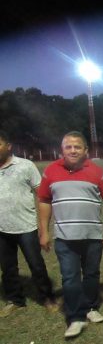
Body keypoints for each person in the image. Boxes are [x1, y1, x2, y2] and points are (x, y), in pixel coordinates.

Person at [38, 131, 103, 338]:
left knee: (91, 274)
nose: (73, 150)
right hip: (65, 238)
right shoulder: (50, 171)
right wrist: (44, 232)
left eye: (77, 147)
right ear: (62, 150)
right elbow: (44, 201)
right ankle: (76, 317)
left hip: (93, 236)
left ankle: (91, 307)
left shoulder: (97, 172)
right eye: (68, 147)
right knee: (70, 278)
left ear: (85, 150)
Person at [0, 131, 57, 317]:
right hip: (2, 228)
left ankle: (47, 298)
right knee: (7, 268)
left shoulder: (25, 166)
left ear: (8, 146)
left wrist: (43, 227)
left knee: (36, 265)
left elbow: (42, 196)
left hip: (26, 227)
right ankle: (15, 300)